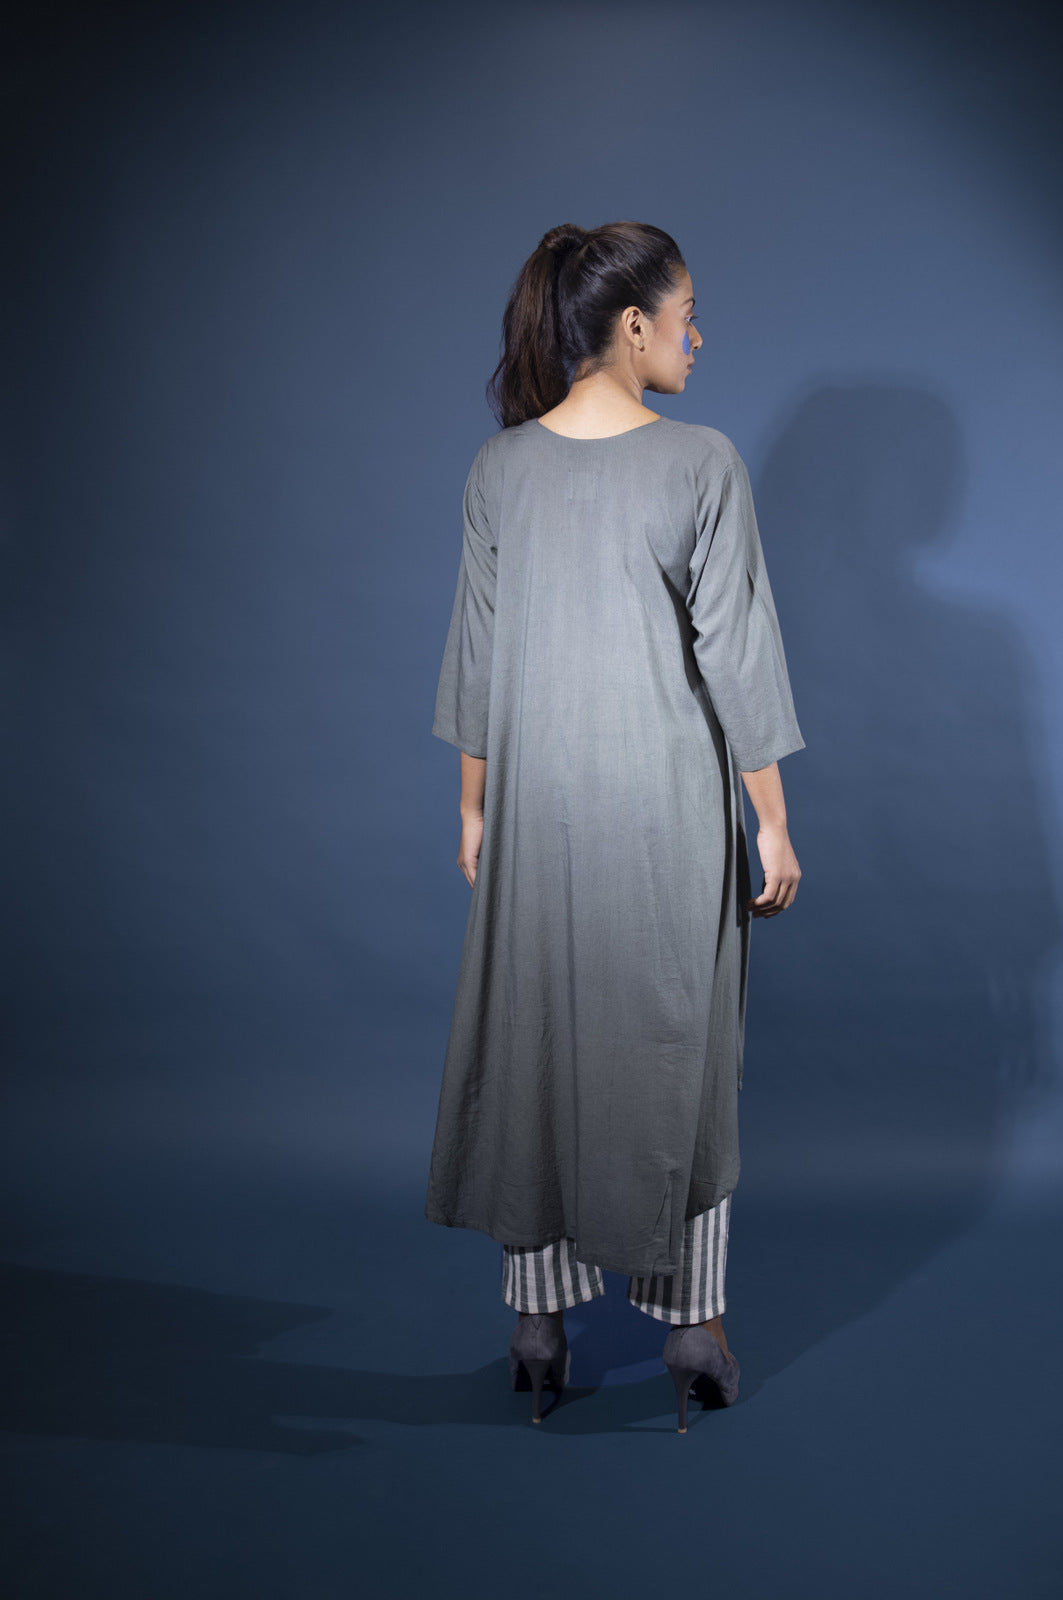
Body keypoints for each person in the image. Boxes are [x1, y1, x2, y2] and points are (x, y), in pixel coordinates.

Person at [427, 221, 805, 1430]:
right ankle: (690, 1323)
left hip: (536, 814)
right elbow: (735, 654)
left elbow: (479, 655)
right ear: (634, 325)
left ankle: (536, 1323)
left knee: (534, 1049)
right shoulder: (701, 463)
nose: (699, 335)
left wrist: (473, 809)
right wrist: (772, 824)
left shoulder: (500, 469)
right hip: (668, 816)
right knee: (676, 1060)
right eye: (687, 314)